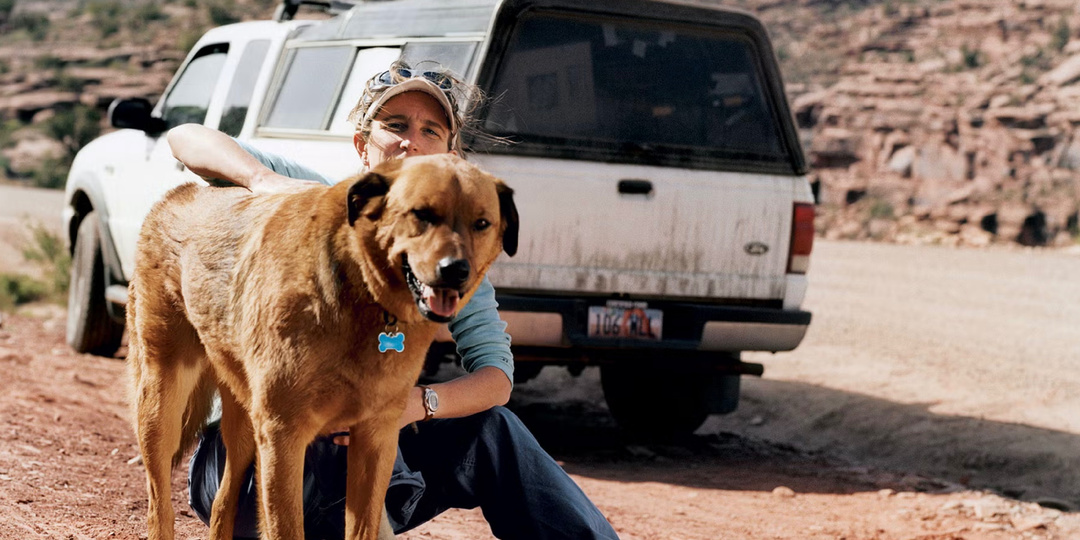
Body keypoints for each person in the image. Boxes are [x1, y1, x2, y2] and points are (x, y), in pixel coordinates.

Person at [169, 61, 621, 540]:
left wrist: (418, 403)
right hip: (250, 471)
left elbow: (497, 378)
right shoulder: (318, 198)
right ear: (362, 146)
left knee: (493, 429)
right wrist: (262, 180)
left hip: (370, 474)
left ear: (450, 155)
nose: (411, 142)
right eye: (396, 125)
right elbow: (185, 137)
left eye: (430, 131)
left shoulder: (453, 261)